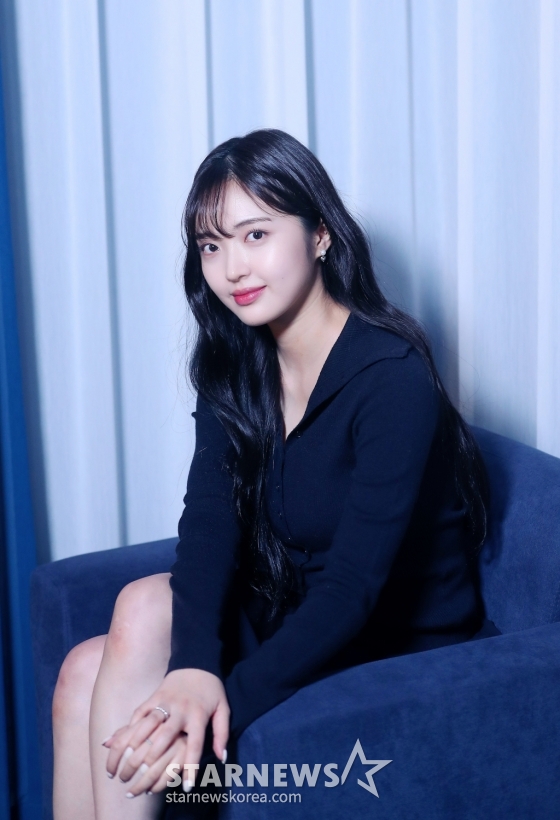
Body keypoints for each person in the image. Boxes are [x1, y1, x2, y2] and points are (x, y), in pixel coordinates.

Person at [52, 129, 493, 819]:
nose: (232, 268)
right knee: (86, 667)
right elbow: (207, 528)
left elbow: (353, 590)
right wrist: (191, 667)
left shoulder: (391, 377)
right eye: (211, 246)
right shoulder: (235, 364)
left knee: (141, 627)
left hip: (392, 638)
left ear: (320, 234)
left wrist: (219, 699)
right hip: (291, 606)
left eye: (255, 235)